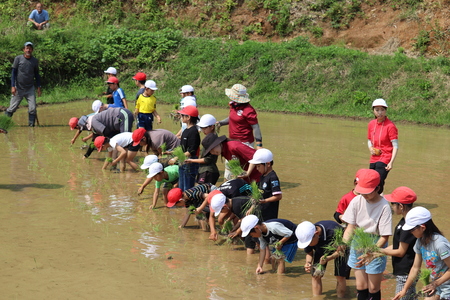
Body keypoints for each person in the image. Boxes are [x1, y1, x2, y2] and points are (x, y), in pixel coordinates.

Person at [342, 168, 392, 300]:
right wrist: (343, 244)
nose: (364, 195)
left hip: (375, 244)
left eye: (368, 192)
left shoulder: (384, 206)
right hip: (358, 241)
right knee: (361, 285)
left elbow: (384, 236)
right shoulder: (356, 201)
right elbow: (350, 227)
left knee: (373, 287)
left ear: (377, 188)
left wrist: (371, 251)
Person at [393, 207, 450, 300]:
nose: (410, 232)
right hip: (437, 285)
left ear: (422, 227)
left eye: (412, 229)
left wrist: (435, 284)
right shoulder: (420, 242)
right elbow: (415, 268)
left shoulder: (440, 244)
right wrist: (404, 290)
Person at [380, 187, 418, 300]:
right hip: (404, 270)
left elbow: (401, 252)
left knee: (401, 297)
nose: (392, 207)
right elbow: (398, 246)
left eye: (393, 204)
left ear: (401, 206)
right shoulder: (404, 220)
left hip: (406, 272)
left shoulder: (409, 225)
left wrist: (381, 251)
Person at [296, 220, 349, 298]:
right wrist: (308, 262)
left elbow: (342, 250)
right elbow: (309, 253)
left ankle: (340, 297)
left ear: (316, 234)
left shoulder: (333, 231)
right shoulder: (307, 235)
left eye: (309, 243)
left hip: (340, 250)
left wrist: (329, 258)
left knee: (340, 276)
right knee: (316, 275)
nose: (309, 245)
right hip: (320, 250)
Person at [5, 42, 41, 127]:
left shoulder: (34, 61)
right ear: (23, 50)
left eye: (30, 48)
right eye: (26, 48)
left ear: (32, 50)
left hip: (30, 88)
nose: (28, 50)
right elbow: (13, 73)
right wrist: (13, 86)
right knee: (12, 108)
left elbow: (37, 74)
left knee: (32, 108)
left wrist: (39, 86)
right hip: (19, 88)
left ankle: (31, 127)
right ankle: (3, 125)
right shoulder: (18, 59)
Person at [367, 98, 398, 194]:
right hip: (374, 157)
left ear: (385, 111)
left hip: (386, 157)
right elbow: (369, 140)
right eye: (377, 110)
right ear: (373, 111)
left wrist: (391, 162)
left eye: (382, 110)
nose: (380, 112)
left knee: (378, 181)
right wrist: (370, 148)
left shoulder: (390, 126)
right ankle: (376, 200)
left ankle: (379, 202)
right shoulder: (371, 124)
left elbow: (395, 145)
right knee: (370, 180)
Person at [185, 114, 220, 185]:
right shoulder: (211, 137)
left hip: (208, 171)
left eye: (204, 128)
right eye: (201, 128)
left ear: (212, 127)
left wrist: (191, 160)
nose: (203, 130)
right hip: (206, 170)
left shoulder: (212, 139)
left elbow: (207, 160)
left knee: (202, 193)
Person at [248, 148, 282, 221]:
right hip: (260, 211)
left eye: (259, 166)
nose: (257, 169)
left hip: (268, 214)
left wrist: (265, 201)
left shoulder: (273, 177)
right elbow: (259, 193)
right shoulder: (262, 176)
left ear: (268, 164)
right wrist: (252, 208)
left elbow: (278, 196)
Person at [177, 105, 200, 192]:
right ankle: (183, 205)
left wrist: (177, 157)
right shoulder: (186, 130)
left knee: (188, 190)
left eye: (183, 115)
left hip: (190, 162)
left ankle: (188, 205)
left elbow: (192, 150)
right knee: (181, 188)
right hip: (183, 161)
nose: (181, 117)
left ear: (188, 117)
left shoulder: (194, 131)